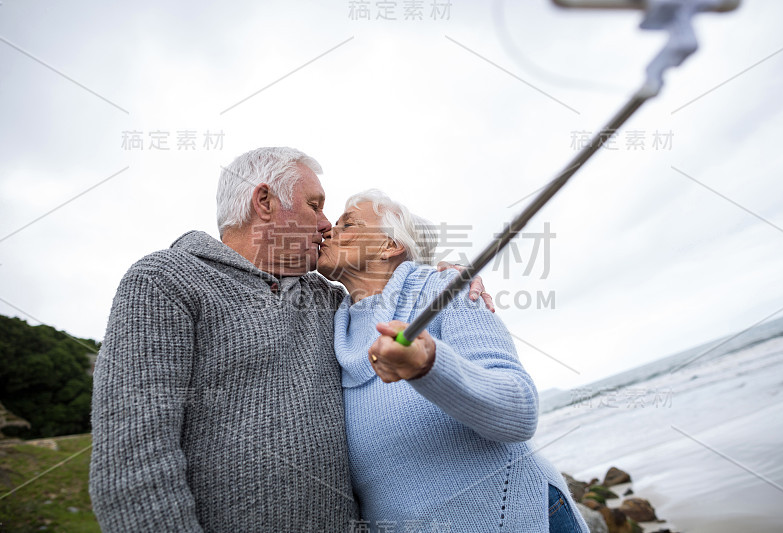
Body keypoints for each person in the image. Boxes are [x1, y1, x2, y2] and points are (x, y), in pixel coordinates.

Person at [89, 147, 491, 532]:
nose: (326, 223)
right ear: (264, 201)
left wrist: (442, 274)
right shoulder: (166, 279)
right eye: (314, 205)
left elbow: (386, 292)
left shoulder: (330, 298)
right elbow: (132, 460)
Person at [316, 189, 589, 533]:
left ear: (389, 246)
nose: (328, 230)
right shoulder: (327, 324)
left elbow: (519, 411)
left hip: (519, 517)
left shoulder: (447, 290)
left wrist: (428, 366)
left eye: (348, 223)